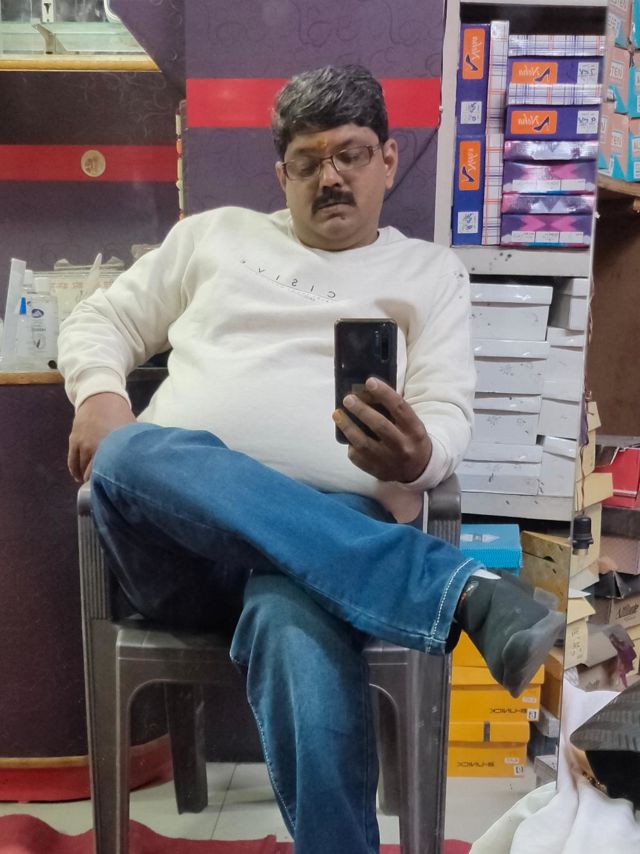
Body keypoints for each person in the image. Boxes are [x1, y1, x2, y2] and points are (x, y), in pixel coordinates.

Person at [58, 65, 563, 854]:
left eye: (351, 154)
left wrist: (418, 453)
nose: (331, 177)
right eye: (308, 161)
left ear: (388, 160)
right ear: (281, 175)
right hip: (180, 549)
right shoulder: (212, 237)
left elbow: (446, 414)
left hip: (328, 552)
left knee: (293, 619)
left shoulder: (430, 274)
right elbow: (101, 319)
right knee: (126, 453)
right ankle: (457, 593)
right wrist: (97, 395)